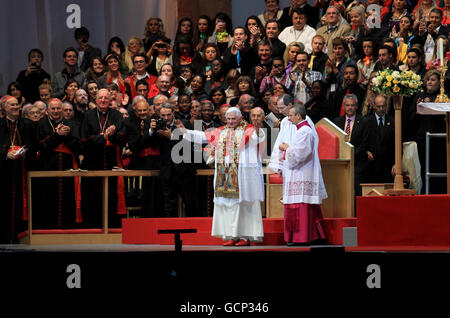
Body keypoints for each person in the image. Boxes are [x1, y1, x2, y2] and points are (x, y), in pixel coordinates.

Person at [175, 107, 265, 246]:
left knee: (243, 205)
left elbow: (258, 138)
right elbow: (202, 136)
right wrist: (184, 131)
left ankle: (245, 237)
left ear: (240, 118)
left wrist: (258, 129)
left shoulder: (249, 130)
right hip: (225, 173)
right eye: (228, 119)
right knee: (228, 206)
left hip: (243, 176)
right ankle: (231, 235)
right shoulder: (221, 131)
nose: (230, 121)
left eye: (233, 119)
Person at [278, 103, 327, 245]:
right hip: (299, 172)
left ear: (298, 116)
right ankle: (299, 237)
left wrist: (286, 148)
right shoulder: (301, 130)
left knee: (300, 206)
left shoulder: (305, 131)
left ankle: (301, 238)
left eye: (290, 115)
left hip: (302, 173)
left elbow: (300, 154)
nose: (288, 118)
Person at [80, 88, 127, 228]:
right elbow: (83, 140)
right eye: (100, 98)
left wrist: (112, 134)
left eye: (106, 98)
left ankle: (112, 227)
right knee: (94, 196)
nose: (103, 100)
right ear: (95, 99)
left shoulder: (117, 115)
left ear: (110, 100)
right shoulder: (88, 116)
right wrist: (102, 137)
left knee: (112, 197)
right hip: (93, 162)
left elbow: (123, 137)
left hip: (112, 162)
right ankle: (93, 227)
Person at [35, 98, 81, 229]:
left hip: (68, 170)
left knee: (68, 201)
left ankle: (68, 230)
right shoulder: (41, 124)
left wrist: (64, 135)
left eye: (58, 108)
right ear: (47, 110)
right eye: (53, 108)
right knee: (48, 201)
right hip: (48, 169)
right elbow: (41, 148)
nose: (56, 111)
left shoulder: (72, 124)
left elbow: (77, 146)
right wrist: (57, 135)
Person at [149, 103, 197, 217]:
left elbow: (190, 145)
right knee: (169, 205)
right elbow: (149, 144)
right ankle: (170, 232)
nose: (166, 118)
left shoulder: (184, 124)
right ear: (159, 115)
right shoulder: (157, 126)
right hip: (167, 172)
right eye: (163, 115)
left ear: (173, 114)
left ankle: (194, 232)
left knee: (190, 203)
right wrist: (151, 131)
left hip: (184, 171)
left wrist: (172, 136)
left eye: (169, 115)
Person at [0, 96, 36, 243]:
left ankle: (19, 237)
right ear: (4, 107)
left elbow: (34, 145)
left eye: (17, 104)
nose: (16, 107)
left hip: (22, 170)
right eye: (12, 105)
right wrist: (5, 154)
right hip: (3, 171)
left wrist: (25, 151)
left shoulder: (27, 124)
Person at [124, 99, 162, 217]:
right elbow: (135, 146)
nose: (142, 113)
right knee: (141, 195)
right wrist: (148, 134)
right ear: (134, 109)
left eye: (145, 110)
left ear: (149, 110)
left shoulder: (155, 121)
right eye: (139, 110)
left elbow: (159, 142)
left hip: (156, 163)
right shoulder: (129, 123)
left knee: (157, 195)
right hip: (139, 164)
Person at [333, 94, 368, 196]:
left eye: (352, 105)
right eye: (347, 105)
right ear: (344, 106)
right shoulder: (337, 121)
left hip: (358, 163)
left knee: (356, 192)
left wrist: (350, 153)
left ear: (356, 106)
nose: (350, 108)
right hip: (341, 163)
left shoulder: (364, 121)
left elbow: (364, 144)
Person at [365, 94, 395, 184]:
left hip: (388, 166)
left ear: (386, 106)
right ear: (374, 106)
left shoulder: (393, 121)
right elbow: (362, 141)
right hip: (371, 165)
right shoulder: (366, 121)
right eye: (378, 106)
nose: (381, 109)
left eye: (383, 106)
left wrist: (396, 163)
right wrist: (366, 151)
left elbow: (396, 144)